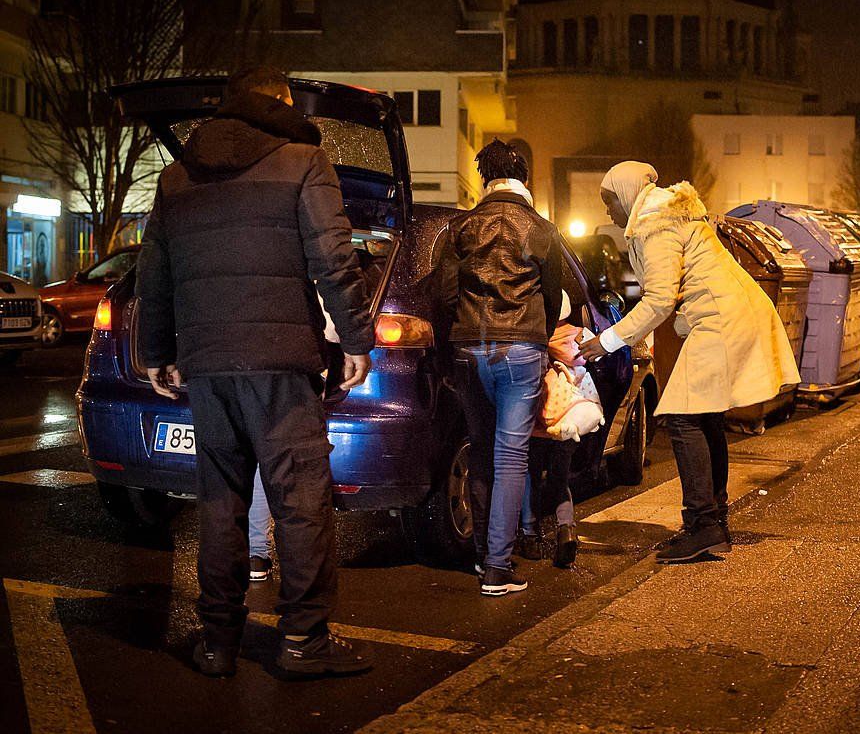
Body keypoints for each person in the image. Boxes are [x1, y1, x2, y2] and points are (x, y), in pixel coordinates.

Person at [136, 66, 375, 678]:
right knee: (301, 501)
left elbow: (154, 276)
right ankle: (303, 641)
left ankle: (217, 642)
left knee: (220, 502)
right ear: (281, 104)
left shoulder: (175, 176)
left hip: (208, 365)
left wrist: (157, 353)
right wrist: (354, 338)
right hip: (280, 361)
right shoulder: (302, 161)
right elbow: (333, 257)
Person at [579, 161, 800, 564]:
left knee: (682, 415)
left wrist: (607, 340)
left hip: (721, 320)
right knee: (704, 415)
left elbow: (660, 299)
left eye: (609, 201)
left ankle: (703, 525)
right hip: (731, 313)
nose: (607, 211)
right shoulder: (667, 215)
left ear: (627, 195)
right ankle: (712, 521)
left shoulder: (654, 224)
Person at [434, 139, 561, 597]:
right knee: (511, 458)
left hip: (469, 348)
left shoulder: (460, 227)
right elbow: (551, 298)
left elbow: (446, 293)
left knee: (481, 451)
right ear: (523, 178)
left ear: (485, 178)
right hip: (521, 350)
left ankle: (481, 555)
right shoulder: (541, 229)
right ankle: (498, 566)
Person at [517, 291, 603, 568]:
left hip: (538, 422)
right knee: (559, 479)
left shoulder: (538, 337)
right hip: (570, 420)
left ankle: (530, 534)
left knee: (530, 474)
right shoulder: (577, 335)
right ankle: (566, 527)